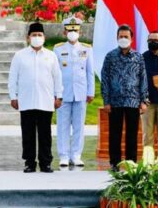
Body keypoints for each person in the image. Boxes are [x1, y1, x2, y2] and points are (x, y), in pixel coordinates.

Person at [8, 22, 63, 173]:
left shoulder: (51, 56)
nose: (37, 37)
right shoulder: (19, 56)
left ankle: (46, 163)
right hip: (26, 100)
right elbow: (13, 77)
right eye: (34, 35)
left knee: (45, 134)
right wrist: (13, 96)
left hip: (46, 100)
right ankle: (29, 162)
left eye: (39, 35)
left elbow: (57, 77)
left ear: (44, 37)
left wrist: (59, 96)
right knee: (28, 133)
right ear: (28, 38)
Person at [100, 24, 148, 172]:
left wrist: (144, 100)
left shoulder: (138, 57)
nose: (123, 39)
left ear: (131, 39)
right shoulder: (110, 56)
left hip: (133, 102)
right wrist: (106, 101)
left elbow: (143, 78)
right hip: (115, 102)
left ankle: (131, 162)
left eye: (126, 37)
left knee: (132, 134)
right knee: (115, 133)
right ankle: (115, 162)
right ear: (116, 38)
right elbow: (105, 79)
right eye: (121, 36)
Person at [54, 16, 94, 168]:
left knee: (79, 125)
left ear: (80, 31)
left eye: (75, 30)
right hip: (64, 93)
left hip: (81, 93)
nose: (72, 33)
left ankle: (76, 155)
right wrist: (56, 94)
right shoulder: (58, 49)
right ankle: (64, 155)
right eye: (69, 30)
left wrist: (90, 91)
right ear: (64, 32)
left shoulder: (87, 48)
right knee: (62, 125)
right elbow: (55, 73)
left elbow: (90, 72)